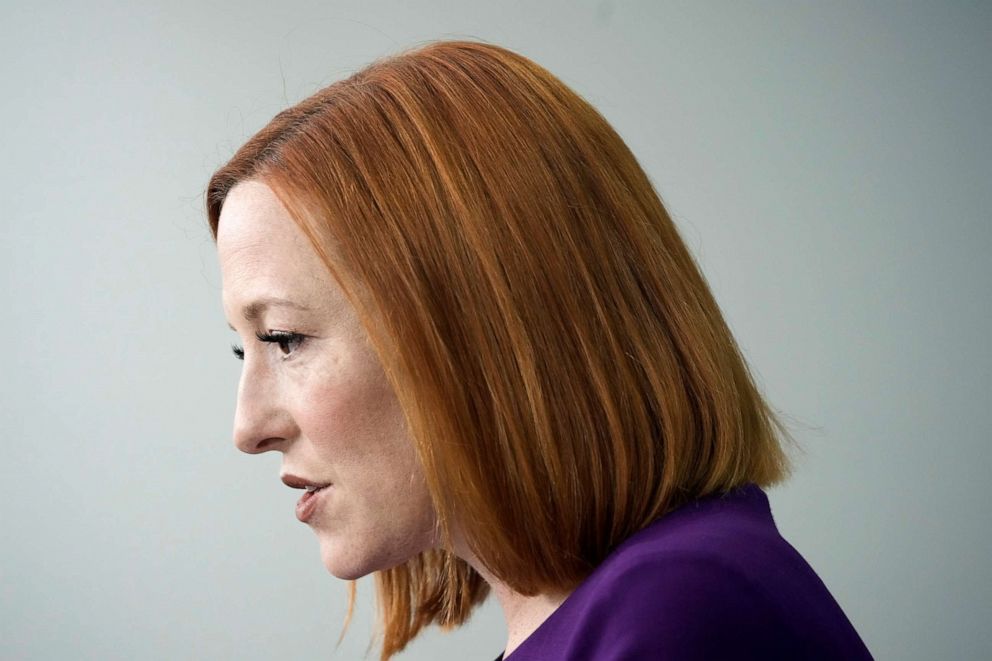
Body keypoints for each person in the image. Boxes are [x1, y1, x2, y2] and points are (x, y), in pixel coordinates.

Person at [206, 39, 873, 660]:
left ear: (480, 321)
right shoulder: (638, 607)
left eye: (285, 338)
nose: (248, 428)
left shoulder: (678, 609)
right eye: (245, 351)